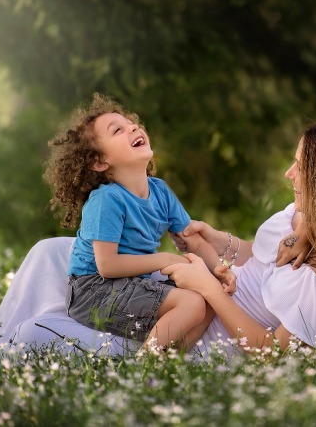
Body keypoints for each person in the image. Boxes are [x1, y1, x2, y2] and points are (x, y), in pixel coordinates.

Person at [0, 120, 316, 356]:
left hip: (194, 329)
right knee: (51, 251)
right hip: (186, 285)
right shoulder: (300, 217)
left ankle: (132, 366)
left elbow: (272, 353)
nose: (289, 176)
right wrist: (218, 241)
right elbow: (255, 257)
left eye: (300, 167)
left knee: (33, 335)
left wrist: (209, 287)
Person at [43, 93, 233, 351]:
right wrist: (165, 259)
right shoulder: (106, 200)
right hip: (92, 290)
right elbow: (107, 266)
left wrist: (218, 270)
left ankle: (171, 359)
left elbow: (192, 239)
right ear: (100, 162)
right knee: (192, 303)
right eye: (117, 130)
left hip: (132, 283)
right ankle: (146, 368)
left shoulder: (160, 191)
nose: (133, 127)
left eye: (131, 123)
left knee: (211, 297)